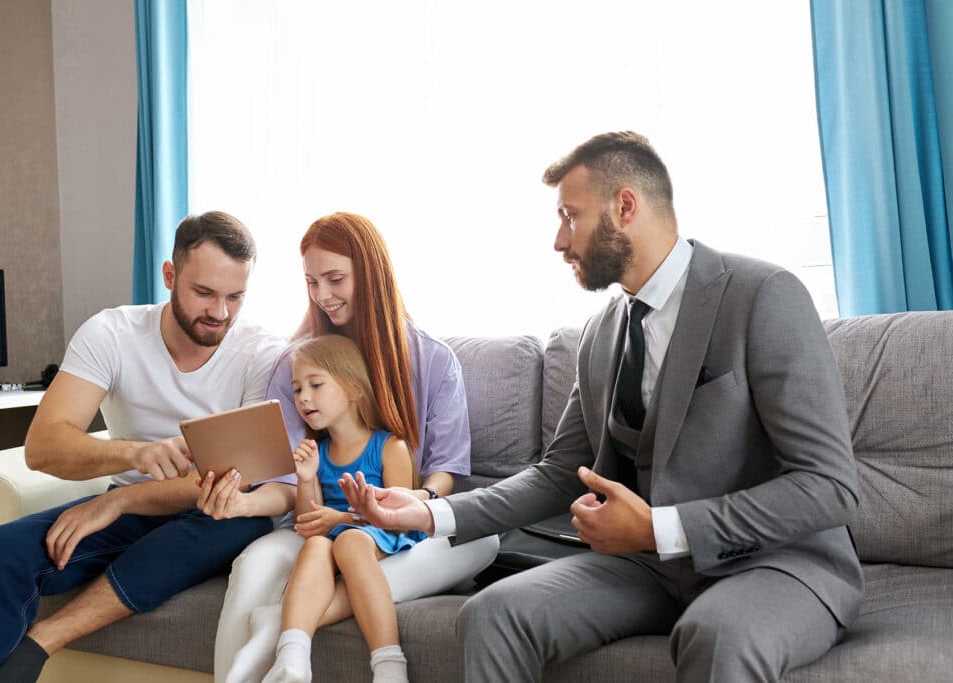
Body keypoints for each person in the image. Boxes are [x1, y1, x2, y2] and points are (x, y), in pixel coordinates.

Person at [340, 132, 864, 682]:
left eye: (570, 216)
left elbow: (828, 484)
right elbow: (557, 474)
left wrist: (662, 527)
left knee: (717, 635)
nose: (559, 241)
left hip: (775, 561)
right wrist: (426, 512)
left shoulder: (763, 295)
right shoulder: (601, 335)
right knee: (494, 614)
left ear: (625, 206)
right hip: (652, 569)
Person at [0, 211, 295, 683]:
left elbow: (243, 479)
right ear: (169, 276)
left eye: (236, 297)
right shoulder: (112, 334)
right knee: (5, 548)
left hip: (216, 514)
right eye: (204, 293)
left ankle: (42, 642)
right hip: (130, 510)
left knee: (227, 518)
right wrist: (133, 455)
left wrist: (118, 499)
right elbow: (43, 446)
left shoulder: (263, 354)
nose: (221, 313)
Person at [212, 212, 499, 683]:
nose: (323, 295)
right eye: (311, 282)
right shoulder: (296, 363)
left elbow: (444, 474)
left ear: (370, 272)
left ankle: (286, 624)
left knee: (485, 537)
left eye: (335, 278)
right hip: (318, 527)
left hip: (407, 524)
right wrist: (242, 502)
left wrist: (411, 504)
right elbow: (287, 479)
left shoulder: (433, 360)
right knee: (254, 565)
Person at [255, 335, 425, 683]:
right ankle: (292, 659)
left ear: (354, 389)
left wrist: (343, 519)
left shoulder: (390, 446)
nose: (303, 398)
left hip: (382, 535)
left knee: (348, 542)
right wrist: (305, 479)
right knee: (318, 544)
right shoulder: (320, 451)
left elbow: (399, 514)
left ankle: (390, 665)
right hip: (335, 540)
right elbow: (309, 522)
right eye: (298, 388)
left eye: (315, 385)